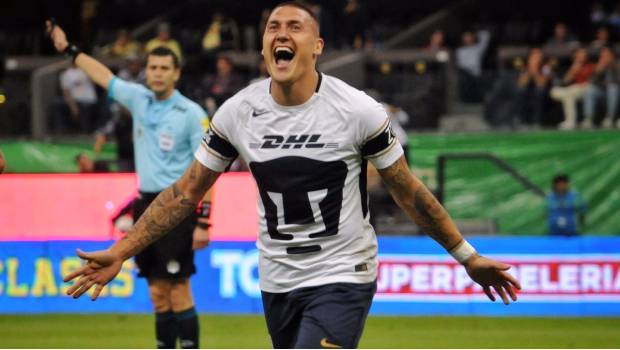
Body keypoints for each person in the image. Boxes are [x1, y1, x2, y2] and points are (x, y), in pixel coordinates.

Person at [61, 3, 520, 349]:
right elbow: (184, 192)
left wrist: (466, 255)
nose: (282, 34)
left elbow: (410, 192)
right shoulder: (238, 113)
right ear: (263, 48)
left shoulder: (357, 111)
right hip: (277, 279)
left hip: (345, 271)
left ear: (316, 47)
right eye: (272, 28)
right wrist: (121, 250)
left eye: (294, 27)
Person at [47, 21, 211, 349]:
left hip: (177, 208)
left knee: (177, 289)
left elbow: (209, 169)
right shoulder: (139, 99)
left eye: (165, 67)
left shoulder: (191, 114)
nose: (158, 73)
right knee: (156, 293)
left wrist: (204, 220)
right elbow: (103, 75)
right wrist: (69, 50)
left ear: (177, 73)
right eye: (152, 67)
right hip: (144, 203)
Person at [550, 47, 594, 130]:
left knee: (569, 94)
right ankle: (570, 122)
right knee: (555, 91)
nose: (582, 56)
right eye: (580, 54)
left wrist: (584, 84)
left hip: (585, 89)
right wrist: (574, 68)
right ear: (575, 56)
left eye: (584, 54)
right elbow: (565, 81)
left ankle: (570, 122)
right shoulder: (571, 65)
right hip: (572, 89)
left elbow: (591, 81)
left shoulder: (589, 65)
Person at [54, 63, 99, 133]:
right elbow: (66, 92)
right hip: (74, 101)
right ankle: (61, 132)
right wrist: (73, 107)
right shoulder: (66, 74)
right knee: (57, 104)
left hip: (89, 100)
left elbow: (96, 81)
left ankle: (87, 133)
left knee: (86, 110)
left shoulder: (86, 70)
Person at [583, 46, 620, 128]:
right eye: (602, 55)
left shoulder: (617, 65)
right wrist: (598, 70)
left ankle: (610, 118)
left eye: (606, 55)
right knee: (589, 90)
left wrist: (613, 66)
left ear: (612, 55)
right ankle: (589, 119)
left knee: (612, 88)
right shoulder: (600, 65)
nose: (604, 57)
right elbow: (591, 82)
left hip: (616, 93)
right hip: (603, 94)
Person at [456, 29, 491, 102]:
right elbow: (459, 65)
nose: (467, 38)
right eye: (465, 37)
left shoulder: (478, 48)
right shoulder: (459, 51)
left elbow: (486, 35)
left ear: (472, 37)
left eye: (469, 36)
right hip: (465, 75)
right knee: (461, 74)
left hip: (475, 76)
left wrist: (476, 34)